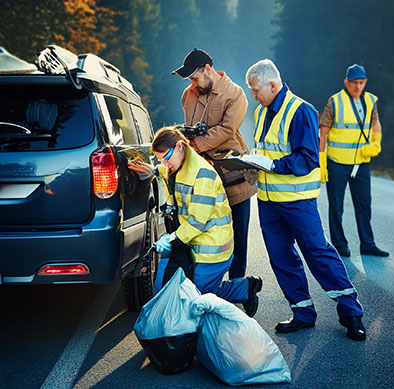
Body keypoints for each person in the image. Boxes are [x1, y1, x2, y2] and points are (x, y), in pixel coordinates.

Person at [245, 59, 366, 341]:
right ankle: (302, 313)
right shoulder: (263, 112)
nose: (253, 95)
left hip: (297, 201)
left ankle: (351, 313)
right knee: (281, 257)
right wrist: (251, 164)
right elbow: (265, 149)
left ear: (273, 85)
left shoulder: (301, 111)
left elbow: (308, 158)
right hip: (268, 201)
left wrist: (273, 166)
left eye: (255, 90)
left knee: (317, 252)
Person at [128, 127, 262, 317]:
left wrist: (172, 238)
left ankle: (245, 288)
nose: (164, 163)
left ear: (180, 146)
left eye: (166, 157)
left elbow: (198, 222)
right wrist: (153, 169)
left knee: (196, 297)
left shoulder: (203, 174)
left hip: (213, 248)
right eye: (160, 160)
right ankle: (242, 288)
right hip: (195, 244)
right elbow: (168, 172)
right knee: (187, 295)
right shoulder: (179, 166)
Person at [171, 48, 257, 279]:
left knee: (238, 235)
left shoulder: (236, 94)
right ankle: (206, 282)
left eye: (194, 77)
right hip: (200, 179)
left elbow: (228, 129)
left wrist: (196, 145)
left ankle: (239, 285)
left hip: (233, 176)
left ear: (208, 69)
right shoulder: (188, 95)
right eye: (190, 79)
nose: (192, 83)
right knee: (202, 231)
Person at [319, 64, 389, 258]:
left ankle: (368, 244)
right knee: (337, 205)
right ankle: (340, 245)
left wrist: (376, 143)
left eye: (361, 83)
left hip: (361, 162)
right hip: (337, 162)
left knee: (364, 204)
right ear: (346, 82)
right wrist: (322, 162)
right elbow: (322, 133)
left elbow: (376, 124)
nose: (358, 86)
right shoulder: (335, 102)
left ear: (365, 82)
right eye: (354, 83)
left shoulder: (370, 101)